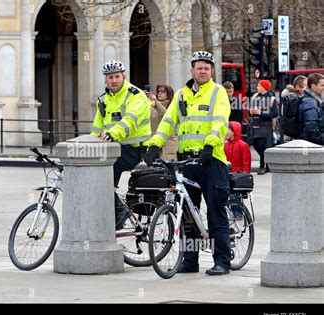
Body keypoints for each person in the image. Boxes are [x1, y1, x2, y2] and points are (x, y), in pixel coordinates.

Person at [144, 51, 232, 275]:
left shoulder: (218, 92)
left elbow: (220, 121)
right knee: (187, 213)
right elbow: (168, 121)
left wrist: (210, 145)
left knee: (215, 210)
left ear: (211, 71)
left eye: (207, 68)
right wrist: (154, 145)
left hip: (211, 158)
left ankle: (222, 261)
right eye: (199, 67)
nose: (202, 71)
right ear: (192, 70)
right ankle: (190, 261)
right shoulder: (182, 94)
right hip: (187, 160)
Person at [90, 60, 151, 230]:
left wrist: (112, 134)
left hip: (133, 148)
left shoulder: (135, 95)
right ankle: (110, 220)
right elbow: (96, 128)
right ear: (105, 80)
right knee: (100, 182)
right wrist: (86, 146)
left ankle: (121, 211)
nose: (114, 80)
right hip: (113, 148)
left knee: (100, 176)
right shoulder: (103, 100)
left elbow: (130, 121)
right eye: (110, 77)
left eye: (117, 76)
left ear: (124, 76)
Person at [249, 79, 278, 175]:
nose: (257, 87)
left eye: (259, 86)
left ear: (264, 88)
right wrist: (252, 111)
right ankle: (267, 164)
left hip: (265, 125)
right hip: (255, 124)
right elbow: (250, 109)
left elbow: (275, 114)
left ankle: (262, 166)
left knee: (262, 146)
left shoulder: (272, 99)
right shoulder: (254, 97)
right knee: (255, 144)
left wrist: (261, 113)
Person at [145, 84, 177, 160]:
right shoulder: (153, 106)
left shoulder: (171, 106)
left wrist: (155, 101)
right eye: (158, 91)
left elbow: (166, 115)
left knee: (168, 168)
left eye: (162, 91)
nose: (159, 93)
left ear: (169, 94)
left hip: (167, 143)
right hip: (153, 141)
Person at [297, 73, 324, 145]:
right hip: (311, 144)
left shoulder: (314, 100)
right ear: (313, 86)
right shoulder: (310, 102)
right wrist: (321, 139)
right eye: (322, 85)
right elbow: (312, 128)